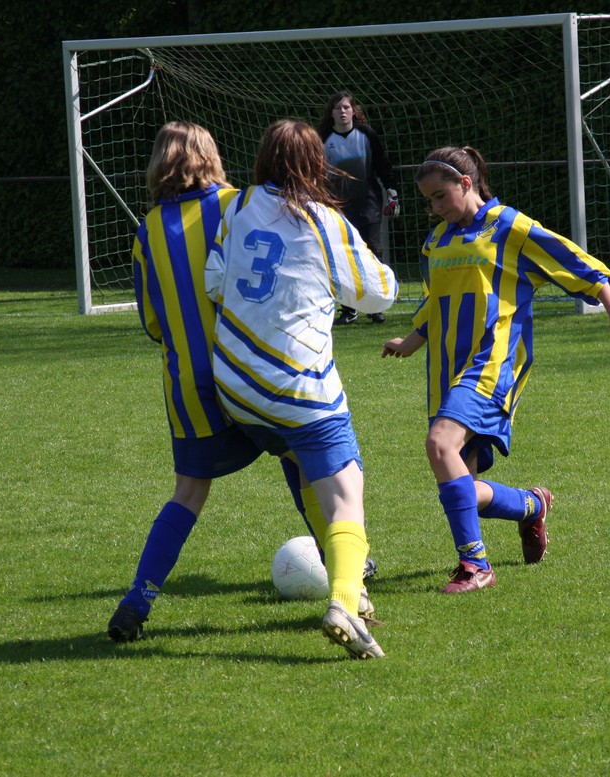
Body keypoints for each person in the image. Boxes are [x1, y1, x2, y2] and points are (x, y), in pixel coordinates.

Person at [109, 121, 352, 644]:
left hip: (187, 384)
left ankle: (137, 600)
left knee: (188, 493)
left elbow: (152, 322)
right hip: (248, 369)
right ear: (211, 157)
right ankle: (346, 575)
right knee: (302, 457)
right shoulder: (240, 204)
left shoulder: (148, 228)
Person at [381, 146, 610, 594]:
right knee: (461, 484)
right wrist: (410, 341)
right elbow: (435, 300)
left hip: (493, 363)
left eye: (441, 196)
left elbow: (571, 259)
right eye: (429, 200)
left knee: (440, 445)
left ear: (467, 183)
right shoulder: (437, 240)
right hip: (445, 371)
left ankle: (475, 566)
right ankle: (531, 506)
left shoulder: (509, 226)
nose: (435, 208)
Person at [205, 119, 398, 658]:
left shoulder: (237, 207)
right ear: (317, 163)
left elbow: (214, 282)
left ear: (263, 159)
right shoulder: (324, 220)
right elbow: (376, 295)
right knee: (347, 491)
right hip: (297, 387)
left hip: (236, 388)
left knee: (304, 464)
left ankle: (352, 588)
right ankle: (344, 601)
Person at [317, 90, 399, 326]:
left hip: (368, 204)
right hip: (337, 208)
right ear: (331, 113)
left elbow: (383, 165)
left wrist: (392, 192)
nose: (342, 112)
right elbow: (314, 172)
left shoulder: (366, 134)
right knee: (341, 255)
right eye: (338, 108)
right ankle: (349, 309)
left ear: (353, 111)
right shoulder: (322, 138)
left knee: (373, 252)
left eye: (346, 107)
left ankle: (376, 307)